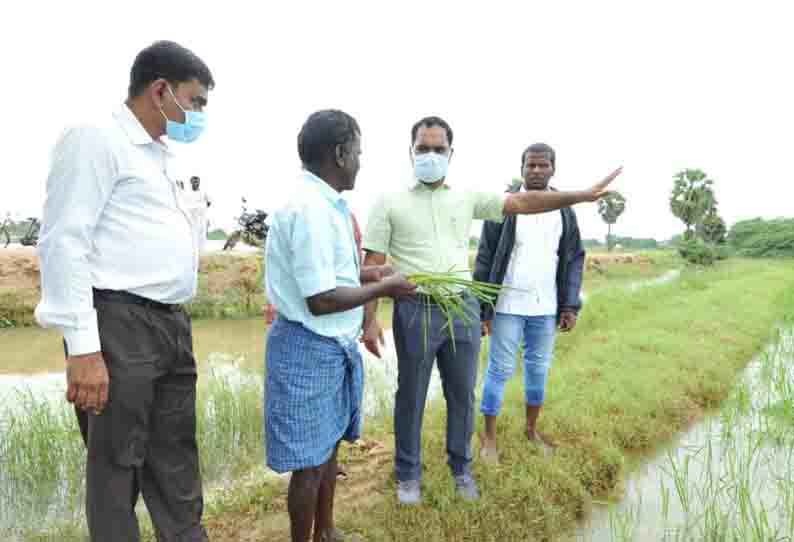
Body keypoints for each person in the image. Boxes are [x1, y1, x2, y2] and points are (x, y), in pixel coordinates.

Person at [362, 116, 622, 505]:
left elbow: (523, 201)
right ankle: (408, 476)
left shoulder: (466, 195)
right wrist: (369, 321)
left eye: (438, 148)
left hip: (463, 306)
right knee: (411, 396)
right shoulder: (388, 201)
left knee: (463, 393)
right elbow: (374, 264)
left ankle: (461, 468)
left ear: (451, 152)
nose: (430, 155)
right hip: (415, 308)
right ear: (411, 151)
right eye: (423, 148)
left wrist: (580, 196)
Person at [35, 41, 214, 542]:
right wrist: (84, 349)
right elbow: (64, 242)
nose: (199, 114)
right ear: (161, 91)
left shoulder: (162, 157)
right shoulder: (95, 139)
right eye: (195, 101)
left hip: (170, 323)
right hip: (119, 324)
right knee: (117, 468)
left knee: (176, 456)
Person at [264, 109, 417, 542]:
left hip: (330, 345)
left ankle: (327, 533)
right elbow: (321, 299)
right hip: (307, 346)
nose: (360, 161)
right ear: (339, 153)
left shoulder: (327, 205)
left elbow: (332, 280)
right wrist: (385, 290)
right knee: (309, 462)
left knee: (328, 446)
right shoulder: (310, 209)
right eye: (358, 151)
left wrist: (372, 274)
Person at [475, 143, 586, 464]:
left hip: (546, 307)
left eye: (543, 165)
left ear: (553, 169)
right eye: (530, 166)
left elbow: (574, 258)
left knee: (538, 369)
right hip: (508, 305)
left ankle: (531, 430)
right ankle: (490, 439)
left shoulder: (565, 210)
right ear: (521, 168)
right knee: (499, 370)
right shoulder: (505, 206)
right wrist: (485, 308)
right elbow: (485, 257)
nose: (536, 171)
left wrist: (569, 305)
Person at [182, 176, 211, 247]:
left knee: (201, 237)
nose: (196, 183)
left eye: (197, 182)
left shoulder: (204, 192)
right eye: (194, 182)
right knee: (192, 236)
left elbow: (209, 202)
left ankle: (200, 252)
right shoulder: (188, 193)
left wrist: (202, 208)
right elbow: (183, 200)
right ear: (191, 182)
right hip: (191, 218)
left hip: (201, 218)